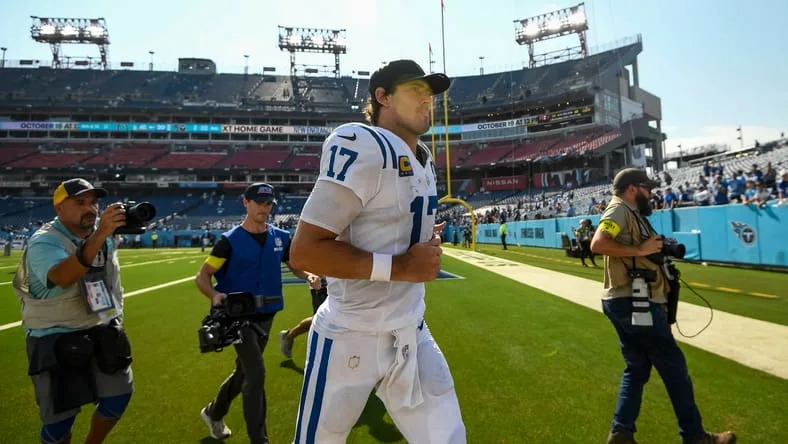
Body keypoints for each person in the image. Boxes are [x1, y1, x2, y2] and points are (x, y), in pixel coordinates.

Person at [288, 59, 465, 443]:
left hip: (411, 331)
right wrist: (401, 266)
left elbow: (385, 221)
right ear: (382, 97)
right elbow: (304, 252)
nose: (427, 99)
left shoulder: (423, 158)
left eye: (429, 93)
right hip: (350, 334)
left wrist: (418, 239)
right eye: (415, 90)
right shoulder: (364, 145)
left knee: (450, 438)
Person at [589, 169, 736, 444]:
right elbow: (598, 244)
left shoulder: (632, 214)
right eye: (647, 188)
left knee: (637, 368)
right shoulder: (619, 209)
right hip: (635, 300)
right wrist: (640, 250)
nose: (651, 194)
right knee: (674, 367)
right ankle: (694, 437)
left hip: (631, 300)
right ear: (633, 189)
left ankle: (621, 433)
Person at [12, 178, 133, 444]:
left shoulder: (101, 236)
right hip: (54, 335)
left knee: (118, 396)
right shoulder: (44, 241)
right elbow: (63, 277)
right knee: (59, 423)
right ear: (59, 208)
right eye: (80, 202)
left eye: (93, 202)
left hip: (101, 326)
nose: (90, 209)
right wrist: (101, 234)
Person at [194, 182, 317, 444]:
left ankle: (213, 412)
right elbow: (203, 276)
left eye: (268, 203)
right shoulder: (229, 241)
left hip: (267, 315)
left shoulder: (281, 237)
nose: (264, 208)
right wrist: (214, 295)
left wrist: (308, 275)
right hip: (237, 318)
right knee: (256, 374)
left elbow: (293, 264)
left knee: (245, 372)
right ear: (246, 203)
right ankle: (260, 440)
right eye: (259, 203)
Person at [279, 275, 327, 359]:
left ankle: (289, 336)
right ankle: (289, 336)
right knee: (321, 319)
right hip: (323, 284)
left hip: (340, 284)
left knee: (324, 319)